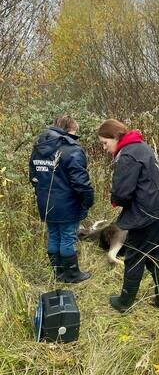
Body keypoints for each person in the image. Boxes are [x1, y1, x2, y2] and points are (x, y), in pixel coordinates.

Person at [97, 119, 159, 313]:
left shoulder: (127, 156)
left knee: (134, 254)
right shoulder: (140, 146)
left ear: (115, 137)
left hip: (149, 212)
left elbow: (122, 193)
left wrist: (116, 200)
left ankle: (125, 302)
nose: (105, 148)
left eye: (105, 143)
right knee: (154, 252)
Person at [29, 115, 94, 283]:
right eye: (75, 131)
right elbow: (81, 183)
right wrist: (87, 201)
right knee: (67, 236)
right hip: (67, 203)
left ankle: (58, 273)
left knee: (53, 235)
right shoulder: (71, 149)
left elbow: (33, 176)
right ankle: (72, 275)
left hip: (45, 202)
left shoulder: (38, 147)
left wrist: (42, 195)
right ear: (69, 129)